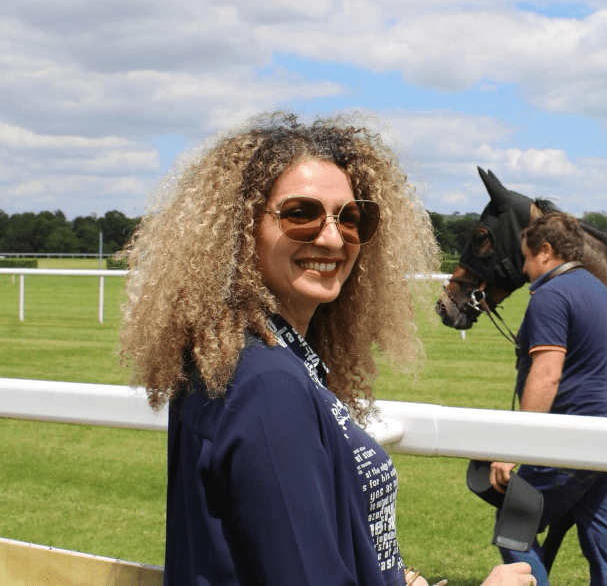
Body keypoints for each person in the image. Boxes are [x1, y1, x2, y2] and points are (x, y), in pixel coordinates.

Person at [118, 111, 535, 586]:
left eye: (352, 217)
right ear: (239, 227)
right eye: (301, 213)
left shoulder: (244, 357)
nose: (333, 238)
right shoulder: (268, 385)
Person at [488, 211, 607, 586]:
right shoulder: (601, 291)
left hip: (570, 438)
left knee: (514, 525)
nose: (524, 268)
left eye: (526, 257)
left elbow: (547, 374)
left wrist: (512, 447)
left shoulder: (550, 296)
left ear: (547, 252)